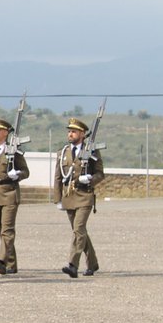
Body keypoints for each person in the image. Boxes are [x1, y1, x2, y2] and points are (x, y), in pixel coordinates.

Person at [55, 117, 103, 278]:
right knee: (80, 232)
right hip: (69, 196)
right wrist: (58, 199)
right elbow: (57, 177)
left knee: (78, 229)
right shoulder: (63, 153)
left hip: (84, 196)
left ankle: (72, 264)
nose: (70, 134)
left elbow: (100, 174)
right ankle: (93, 263)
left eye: (74, 131)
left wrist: (89, 178)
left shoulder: (92, 151)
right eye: (69, 131)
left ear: (82, 134)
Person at [0, 117, 30, 275]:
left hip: (9, 192)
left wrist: (17, 174)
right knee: (1, 230)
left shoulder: (14, 151)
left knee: (7, 230)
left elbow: (26, 171)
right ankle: (11, 264)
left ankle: (1, 260)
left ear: (6, 132)